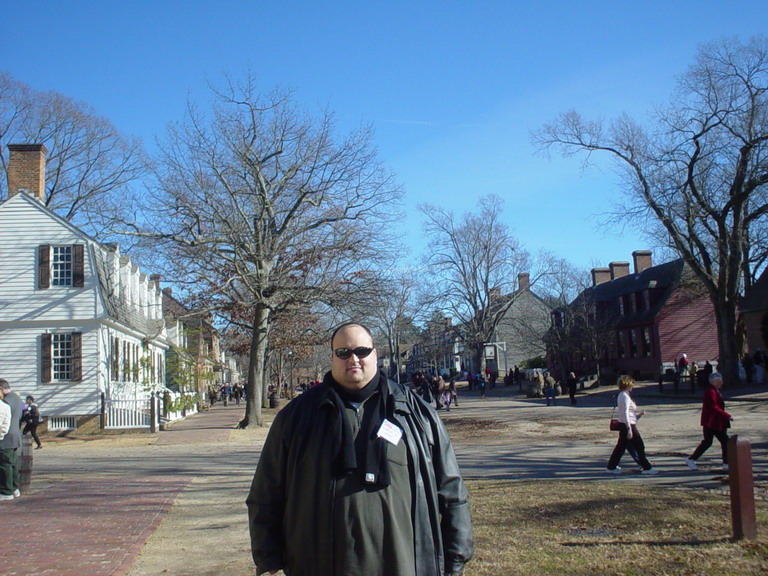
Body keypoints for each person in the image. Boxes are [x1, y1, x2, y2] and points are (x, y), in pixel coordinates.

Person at [247, 322, 473, 576]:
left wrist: (456, 557)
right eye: (343, 353)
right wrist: (268, 558)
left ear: (375, 354)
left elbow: (451, 489)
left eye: (362, 351)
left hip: (403, 562)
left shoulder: (416, 414)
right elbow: (266, 492)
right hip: (317, 563)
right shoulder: (297, 417)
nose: (353, 359)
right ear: (332, 357)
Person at [606, 375, 658, 475]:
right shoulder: (624, 396)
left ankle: (611, 467)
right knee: (639, 446)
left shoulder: (623, 395)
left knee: (620, 447)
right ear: (627, 384)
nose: (632, 386)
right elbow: (625, 413)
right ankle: (647, 468)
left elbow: (628, 414)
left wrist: (638, 415)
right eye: (631, 384)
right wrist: (629, 428)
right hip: (627, 425)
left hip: (626, 424)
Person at [685, 372, 733, 471]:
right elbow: (713, 406)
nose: (722, 383)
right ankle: (692, 459)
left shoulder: (715, 390)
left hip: (716, 422)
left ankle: (726, 463)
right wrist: (727, 415)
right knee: (712, 442)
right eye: (720, 381)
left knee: (720, 442)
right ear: (715, 382)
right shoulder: (710, 391)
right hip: (712, 422)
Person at [0, 379, 24, 500]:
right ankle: (14, 488)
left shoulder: (5, 402)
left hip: (5, 437)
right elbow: (20, 416)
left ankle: (6, 491)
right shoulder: (17, 398)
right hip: (15, 435)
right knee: (13, 464)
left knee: (5, 465)